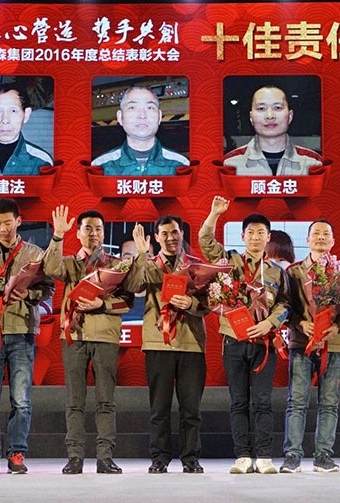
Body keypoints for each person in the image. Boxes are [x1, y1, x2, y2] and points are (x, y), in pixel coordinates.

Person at [199, 196, 290, 475]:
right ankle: (242, 456)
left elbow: (285, 304)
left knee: (262, 401)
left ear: (268, 238)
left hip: (264, 342)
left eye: (261, 233)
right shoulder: (229, 261)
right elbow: (205, 241)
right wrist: (214, 214)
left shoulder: (276, 271)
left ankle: (264, 456)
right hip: (234, 340)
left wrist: (269, 323)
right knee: (238, 401)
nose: (255, 237)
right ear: (242, 236)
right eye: (250, 232)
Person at [0, 198, 54, 474]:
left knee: (21, 399)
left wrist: (29, 294)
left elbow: (48, 288)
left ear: (19, 221)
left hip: (22, 331)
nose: (3, 228)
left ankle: (17, 453)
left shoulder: (34, 253)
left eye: (8, 222)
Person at [44, 206, 134, 475]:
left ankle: (105, 457)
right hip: (74, 336)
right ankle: (75, 457)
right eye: (87, 229)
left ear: (103, 233)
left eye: (98, 229)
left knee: (106, 401)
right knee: (75, 401)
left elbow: (127, 302)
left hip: (106, 337)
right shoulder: (70, 263)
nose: (93, 233)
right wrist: (57, 236)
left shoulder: (116, 265)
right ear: (78, 233)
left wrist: (101, 304)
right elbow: (50, 268)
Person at [126, 217, 210, 474]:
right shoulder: (150, 264)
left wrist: (191, 304)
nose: (171, 237)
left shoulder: (197, 267)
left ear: (182, 233)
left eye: (175, 232)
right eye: (164, 233)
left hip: (191, 343)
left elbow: (210, 303)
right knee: (159, 407)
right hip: (158, 343)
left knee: (191, 409)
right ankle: (159, 458)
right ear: (156, 237)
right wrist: (141, 254)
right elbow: (134, 286)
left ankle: (191, 458)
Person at [280, 219, 340, 473]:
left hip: (333, 344)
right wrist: (299, 323)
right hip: (301, 343)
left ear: (333, 240)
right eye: (316, 233)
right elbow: (284, 305)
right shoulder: (294, 272)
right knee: (297, 401)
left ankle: (323, 455)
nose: (321, 238)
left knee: (329, 402)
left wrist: (337, 326)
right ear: (307, 240)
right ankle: (292, 455)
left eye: (326, 234)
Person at [223, 86, 322, 176]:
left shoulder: (313, 164)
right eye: (261, 108)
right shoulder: (230, 164)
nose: (270, 116)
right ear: (251, 117)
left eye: (277, 108)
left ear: (290, 116)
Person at [92, 86, 189, 175]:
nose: (142, 115)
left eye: (150, 107)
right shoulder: (99, 168)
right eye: (132, 107)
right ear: (120, 117)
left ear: (159, 117)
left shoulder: (182, 166)